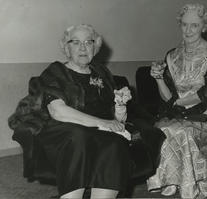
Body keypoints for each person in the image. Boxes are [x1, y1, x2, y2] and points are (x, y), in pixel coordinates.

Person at [8, 24, 165, 199]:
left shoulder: (102, 73)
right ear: (66, 48)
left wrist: (120, 106)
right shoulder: (56, 71)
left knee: (114, 143)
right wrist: (103, 123)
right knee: (79, 137)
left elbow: (116, 121)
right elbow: (59, 112)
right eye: (75, 42)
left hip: (98, 132)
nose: (83, 47)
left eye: (88, 42)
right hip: (63, 130)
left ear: (95, 47)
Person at [147, 3, 207, 199]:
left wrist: (178, 105)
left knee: (180, 131)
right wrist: (157, 78)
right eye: (184, 24)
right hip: (177, 116)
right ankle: (171, 181)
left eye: (195, 25)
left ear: (204, 27)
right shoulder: (172, 56)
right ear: (180, 25)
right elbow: (167, 98)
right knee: (162, 129)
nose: (188, 30)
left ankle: (189, 186)